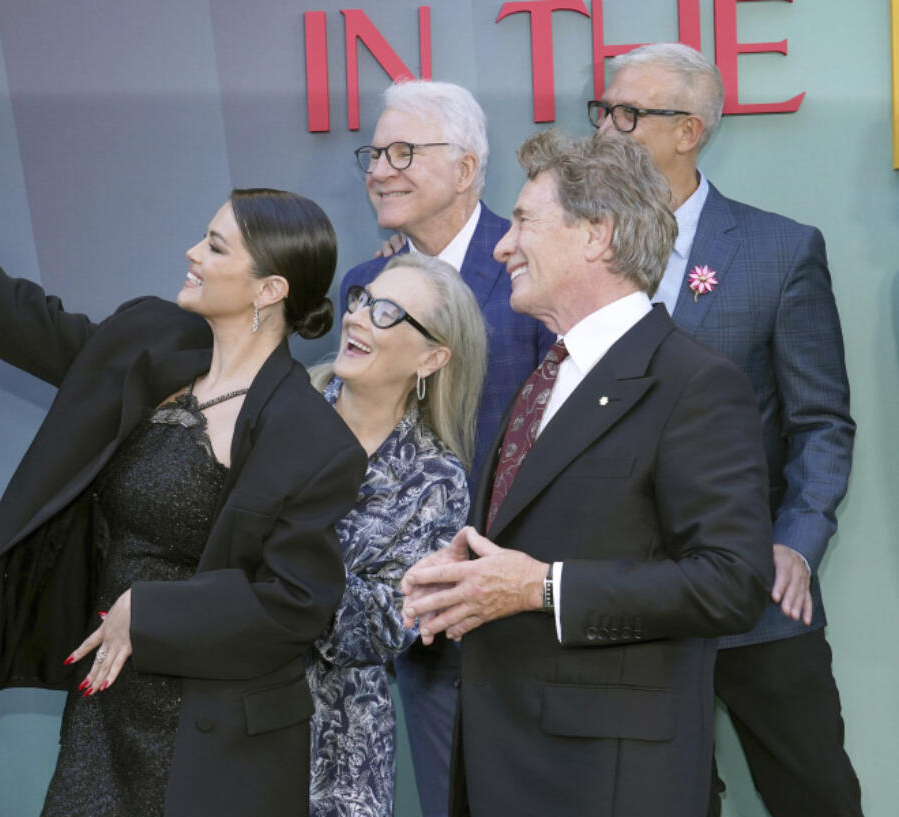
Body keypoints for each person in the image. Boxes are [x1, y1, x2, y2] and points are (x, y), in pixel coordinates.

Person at [0, 126, 367, 817]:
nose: (191, 253)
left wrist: (148, 610)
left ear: (269, 287)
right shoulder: (149, 339)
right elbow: (19, 316)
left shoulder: (313, 437)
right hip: (108, 706)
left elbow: (296, 604)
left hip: (217, 736)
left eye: (214, 246)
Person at [400, 129, 775, 817]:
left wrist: (540, 586)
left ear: (597, 234)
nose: (502, 246)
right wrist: (464, 576)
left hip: (606, 780)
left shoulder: (693, 384)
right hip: (503, 763)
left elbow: (732, 581)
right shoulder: (544, 379)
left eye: (521, 223)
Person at [592, 43, 859, 817]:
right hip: (630, 599)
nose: (609, 130)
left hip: (758, 595)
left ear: (691, 130)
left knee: (815, 795)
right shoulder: (581, 250)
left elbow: (821, 423)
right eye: (604, 111)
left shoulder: (780, 251)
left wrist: (797, 543)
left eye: (630, 114)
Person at [342, 80, 554, 813]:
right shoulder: (364, 284)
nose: (380, 168)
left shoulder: (531, 261)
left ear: (466, 168)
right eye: (374, 152)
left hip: (521, 604)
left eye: (404, 151)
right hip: (417, 614)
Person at [305, 254, 486, 817]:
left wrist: (284, 537)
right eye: (361, 299)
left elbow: (375, 633)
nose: (357, 317)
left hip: (335, 752)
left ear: (432, 357)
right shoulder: (281, 414)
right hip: (216, 712)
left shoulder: (435, 479)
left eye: (387, 313)